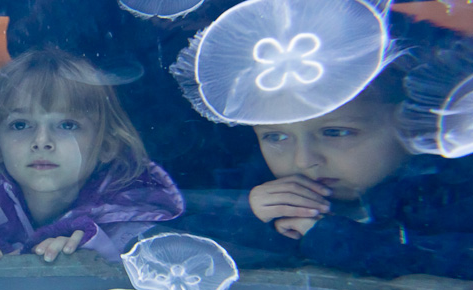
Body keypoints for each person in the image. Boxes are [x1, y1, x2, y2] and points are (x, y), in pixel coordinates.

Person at [0, 48, 184, 265]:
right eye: (20, 125)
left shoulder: (138, 231)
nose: (42, 142)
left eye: (67, 125)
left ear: (107, 145)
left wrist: (94, 257)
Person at [177, 69, 473, 279]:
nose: (304, 160)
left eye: (336, 132)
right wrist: (246, 214)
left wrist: (338, 240)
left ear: (412, 126)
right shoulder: (249, 184)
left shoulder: (452, 198)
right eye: (275, 136)